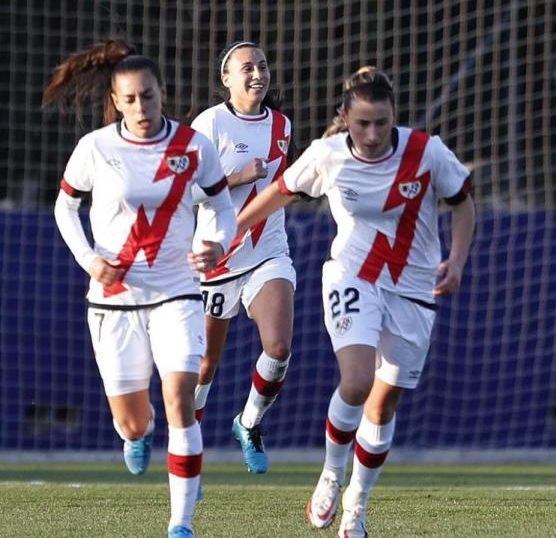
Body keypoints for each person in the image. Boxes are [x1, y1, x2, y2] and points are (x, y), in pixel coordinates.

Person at [232, 66, 475, 537]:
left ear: (394, 118)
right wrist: (228, 234)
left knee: (382, 408)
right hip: (352, 276)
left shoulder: (427, 153)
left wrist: (458, 259)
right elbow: (278, 194)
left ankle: (356, 506)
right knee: (358, 380)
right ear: (345, 117)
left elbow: (464, 201)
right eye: (362, 123)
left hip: (414, 288)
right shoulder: (327, 156)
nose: (371, 133)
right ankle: (330, 475)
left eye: (381, 123)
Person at [47, 39, 236, 538]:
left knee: (180, 396)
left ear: (162, 93)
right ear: (115, 101)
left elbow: (221, 206)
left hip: (177, 290)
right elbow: (65, 208)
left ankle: (180, 523)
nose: (141, 107)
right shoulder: (96, 148)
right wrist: (91, 260)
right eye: (129, 99)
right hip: (115, 299)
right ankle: (137, 433)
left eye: (148, 96)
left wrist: (216, 243)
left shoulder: (194, 147)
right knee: (134, 423)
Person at [190, 41, 294, 474]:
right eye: (246, 67)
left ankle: (248, 423)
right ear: (226, 79)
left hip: (268, 251)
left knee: (279, 346)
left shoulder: (282, 125)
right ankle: (187, 439)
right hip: (217, 258)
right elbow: (184, 190)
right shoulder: (208, 123)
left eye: (263, 66)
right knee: (205, 362)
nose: (257, 74)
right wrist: (234, 176)